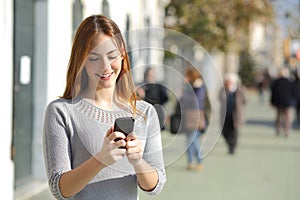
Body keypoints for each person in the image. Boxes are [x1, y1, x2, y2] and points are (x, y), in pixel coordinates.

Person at [43, 15, 166, 200]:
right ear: (81, 60)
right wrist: (101, 159)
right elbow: (60, 190)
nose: (105, 66)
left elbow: (156, 185)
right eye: (94, 58)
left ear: (123, 55)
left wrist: (138, 161)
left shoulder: (145, 112)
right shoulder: (61, 112)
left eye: (112, 56)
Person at [179, 67, 206, 171]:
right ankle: (190, 161)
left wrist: (185, 93)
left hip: (195, 115)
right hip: (187, 114)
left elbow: (196, 102)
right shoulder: (189, 87)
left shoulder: (199, 86)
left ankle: (199, 161)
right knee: (188, 140)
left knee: (192, 139)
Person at [219, 73, 246, 155]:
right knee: (224, 131)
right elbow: (219, 98)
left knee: (234, 131)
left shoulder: (239, 90)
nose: (228, 83)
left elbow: (245, 99)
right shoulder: (223, 90)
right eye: (227, 81)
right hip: (225, 114)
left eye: (230, 81)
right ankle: (229, 142)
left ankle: (232, 146)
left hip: (235, 115)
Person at [270, 67, 296, 137]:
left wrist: (272, 101)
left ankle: (279, 129)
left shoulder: (276, 82)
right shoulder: (290, 81)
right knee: (287, 117)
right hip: (288, 102)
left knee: (279, 116)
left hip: (279, 102)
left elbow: (273, 93)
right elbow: (294, 92)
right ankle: (287, 130)